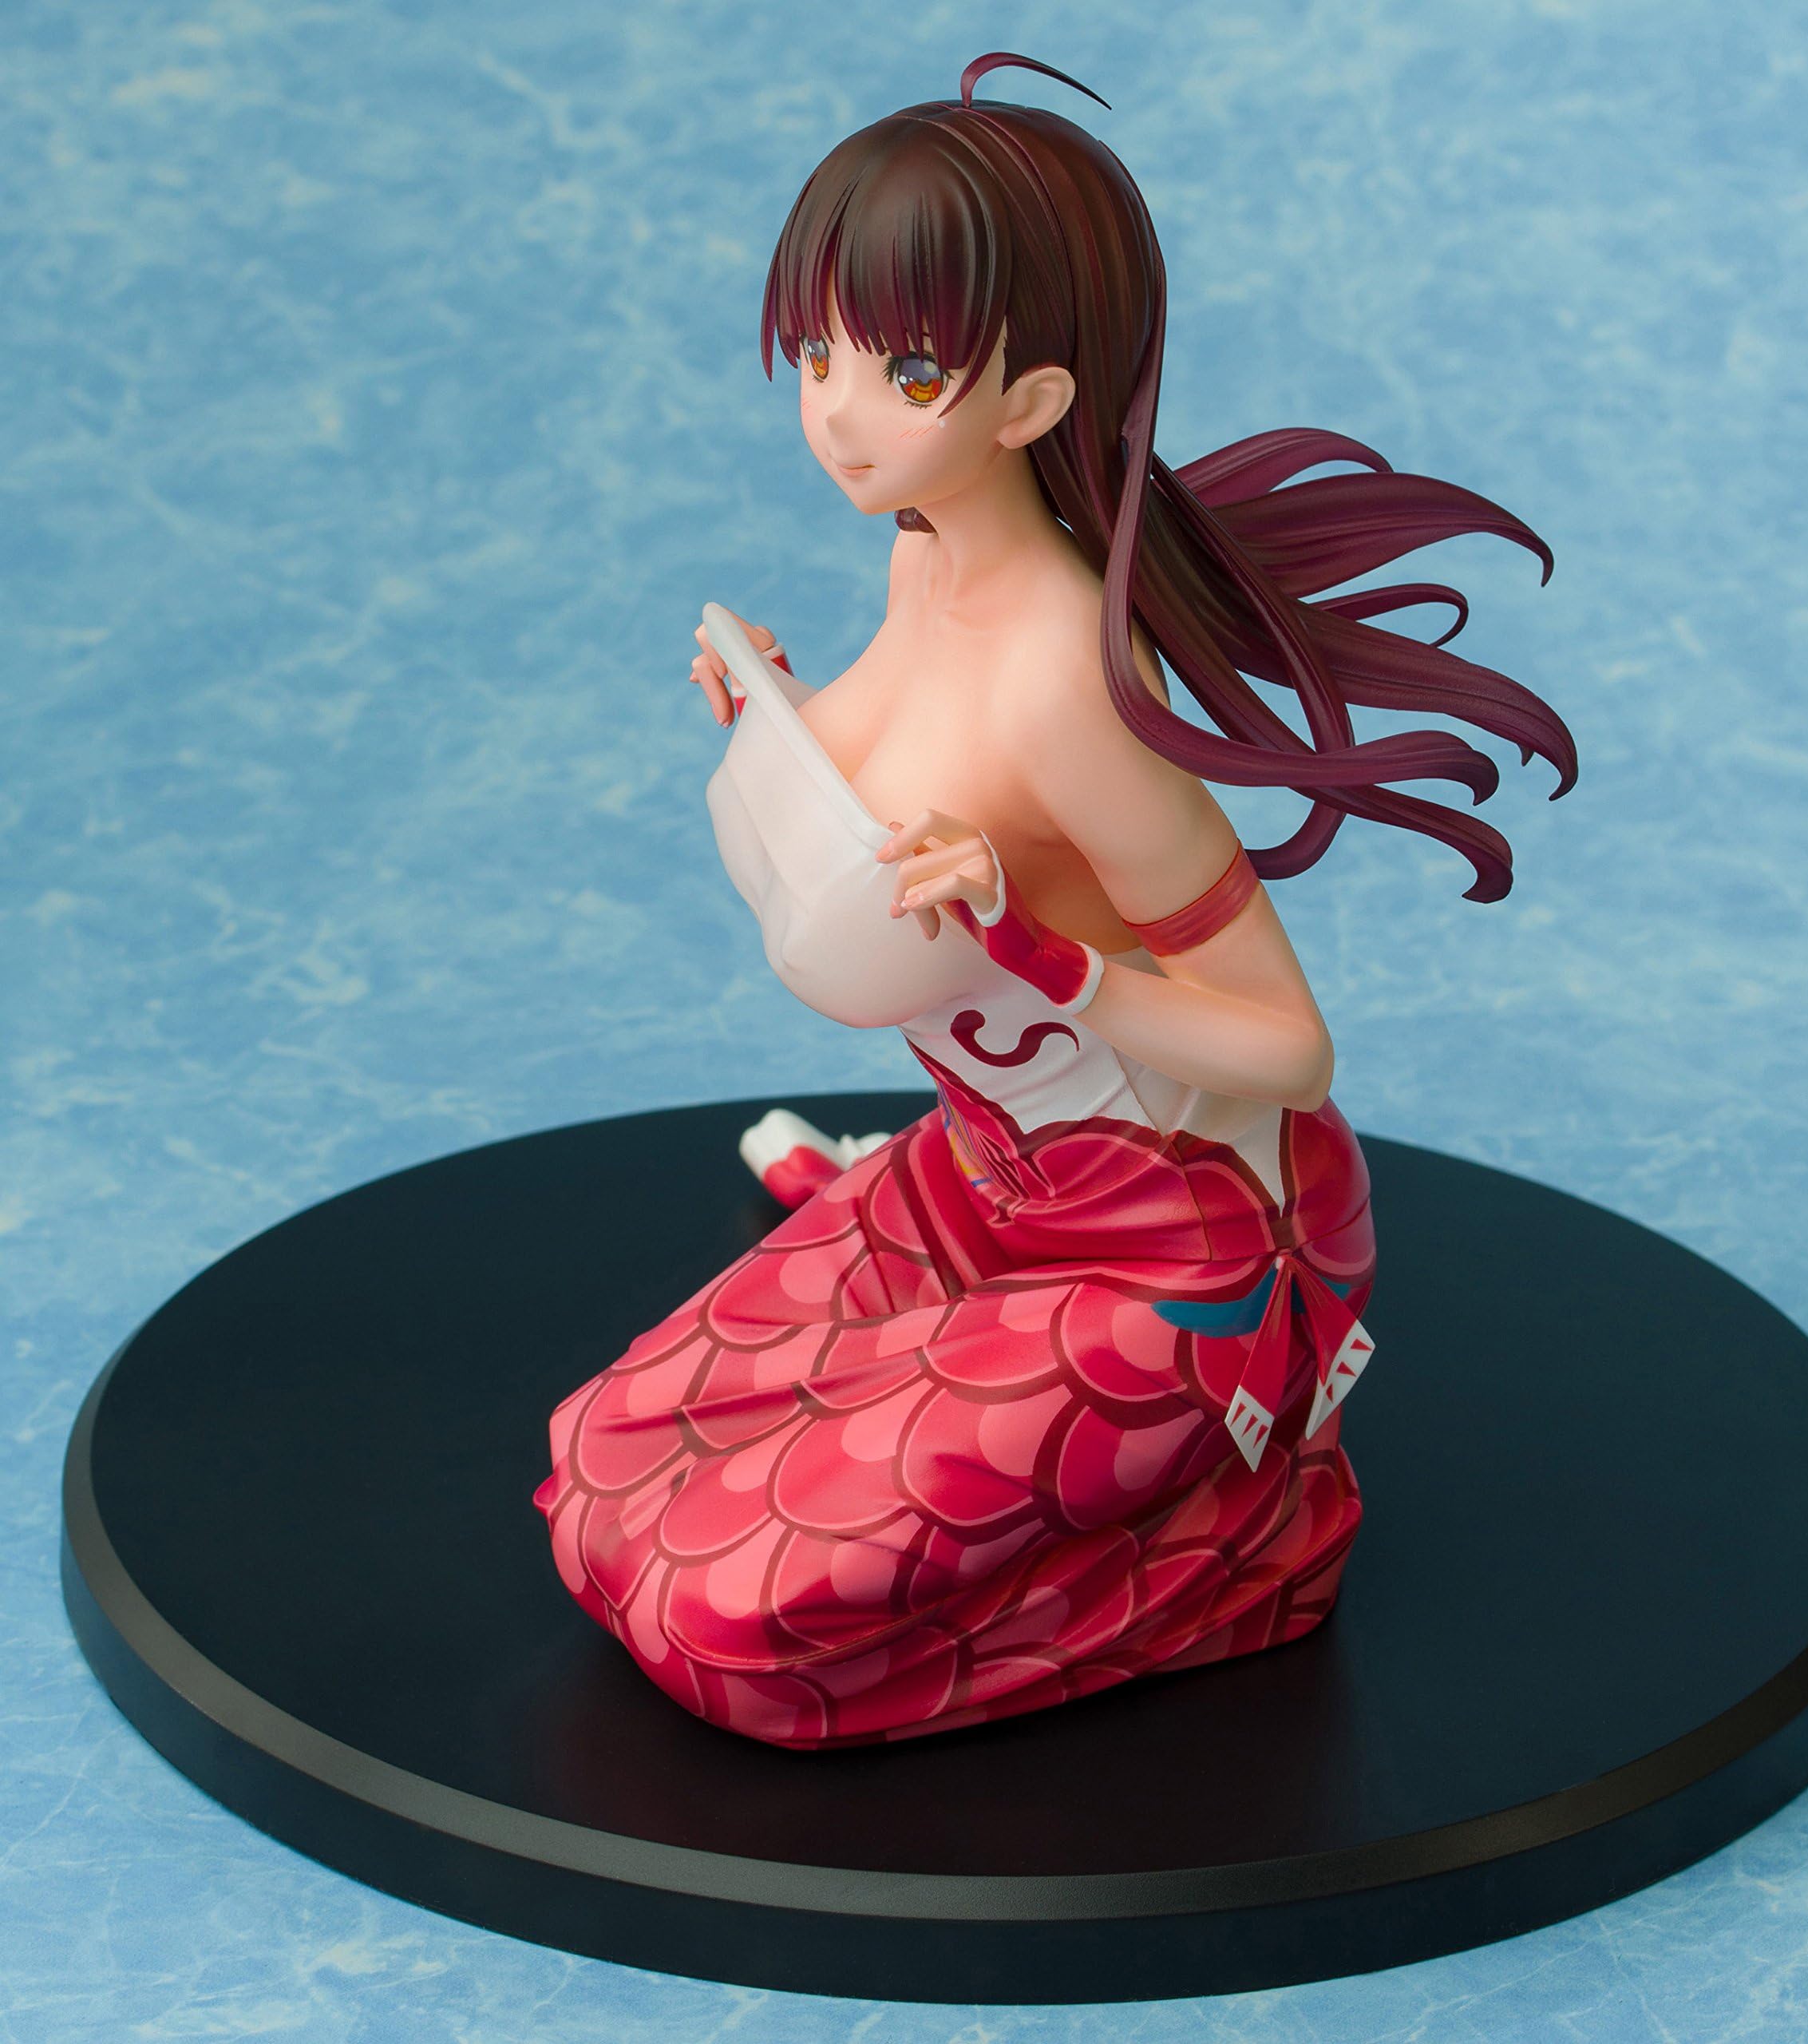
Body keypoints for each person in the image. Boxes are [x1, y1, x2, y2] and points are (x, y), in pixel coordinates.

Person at [532, 54, 1575, 1749]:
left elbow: (1289, 1047)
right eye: (819, 355)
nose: (838, 413)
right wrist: (774, 722)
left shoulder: (1070, 686)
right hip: (981, 1181)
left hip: (1184, 1260)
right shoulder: (920, 553)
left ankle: (1251, 1536)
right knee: (598, 1467)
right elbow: (884, 801)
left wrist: (1045, 952)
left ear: (1031, 399)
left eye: (904, 370)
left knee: (721, 1625)